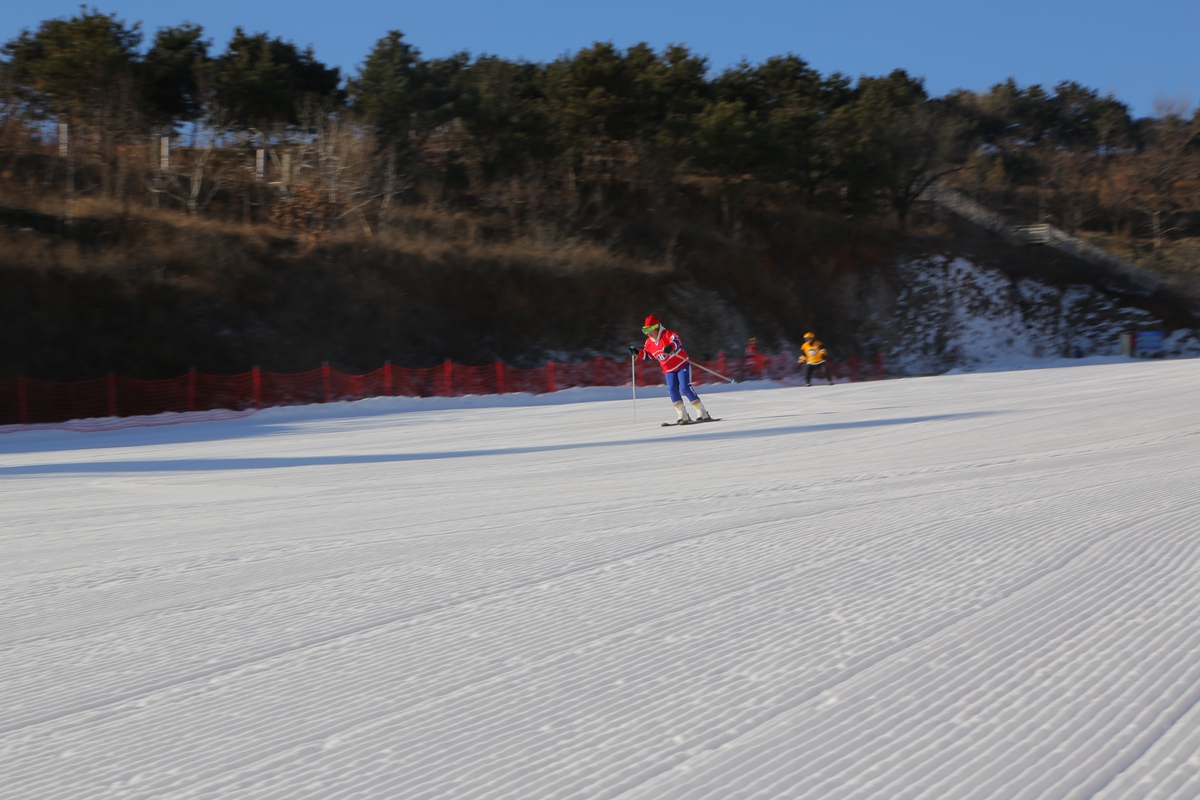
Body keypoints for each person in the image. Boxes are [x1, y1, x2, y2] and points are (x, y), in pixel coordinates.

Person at [629, 315, 713, 424]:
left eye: (649, 329)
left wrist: (671, 346)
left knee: (685, 387)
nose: (648, 333)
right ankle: (682, 414)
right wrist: (637, 352)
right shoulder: (648, 342)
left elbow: (676, 342)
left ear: (656, 327)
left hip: (682, 365)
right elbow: (649, 355)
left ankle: (701, 411)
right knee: (672, 389)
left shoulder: (668, 334)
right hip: (668, 370)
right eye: (644, 330)